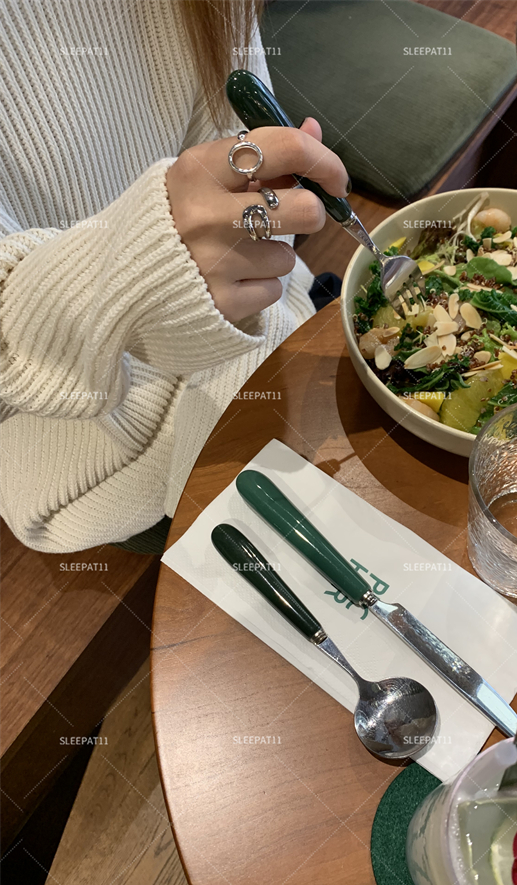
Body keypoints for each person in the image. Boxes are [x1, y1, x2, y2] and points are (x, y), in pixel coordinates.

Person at [0, 0, 349, 553]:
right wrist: (132, 268)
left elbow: (237, 141)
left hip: (272, 327)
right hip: (97, 456)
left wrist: (255, 199)